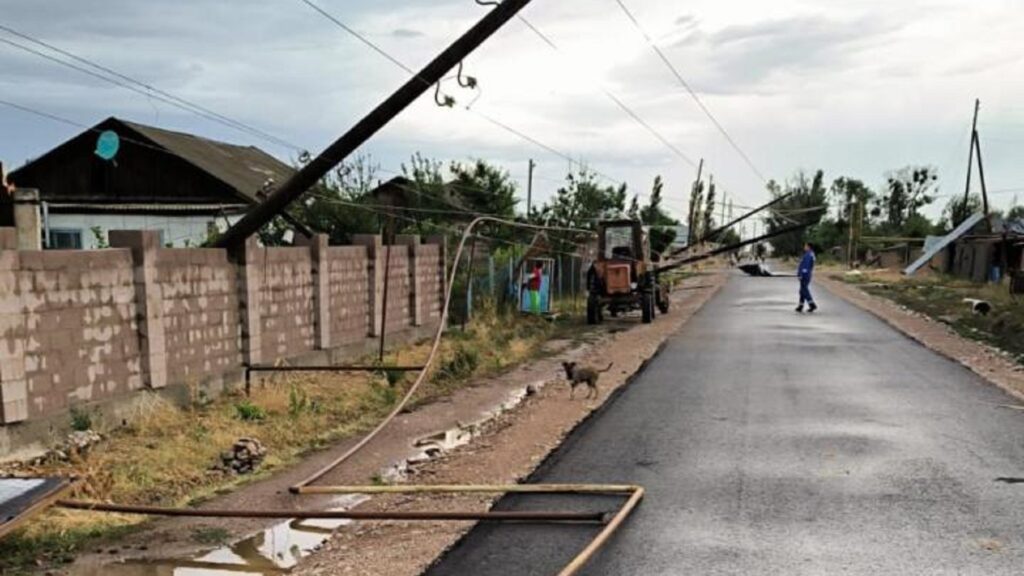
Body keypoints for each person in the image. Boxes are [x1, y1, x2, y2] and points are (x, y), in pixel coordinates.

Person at [796, 242, 817, 313]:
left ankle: (812, 304)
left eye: (805, 246)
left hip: (805, 274)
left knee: (804, 290)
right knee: (802, 290)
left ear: (809, 247)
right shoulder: (811, 254)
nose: (804, 247)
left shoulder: (808, 255)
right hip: (807, 274)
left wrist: (801, 274)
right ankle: (800, 306)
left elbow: (806, 266)